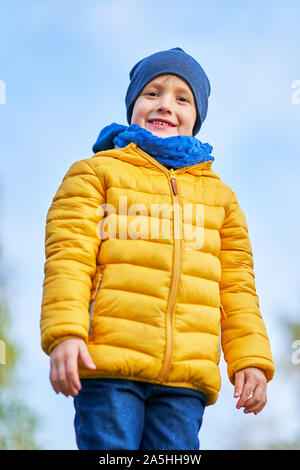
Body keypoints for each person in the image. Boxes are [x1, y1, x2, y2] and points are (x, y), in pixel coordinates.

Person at [40, 47, 275, 450]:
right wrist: (65, 333)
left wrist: (249, 358)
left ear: (196, 116)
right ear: (133, 105)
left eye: (182, 98)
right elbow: (69, 259)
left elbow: (237, 287)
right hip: (108, 363)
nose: (165, 104)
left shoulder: (221, 199)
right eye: (152, 93)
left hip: (185, 379)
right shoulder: (97, 173)